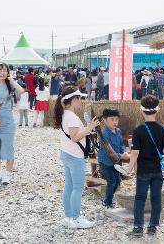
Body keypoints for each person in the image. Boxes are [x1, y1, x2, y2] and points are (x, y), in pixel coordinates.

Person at [53, 86, 100, 229]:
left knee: (69, 186)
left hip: (66, 153)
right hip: (74, 156)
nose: (81, 101)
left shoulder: (65, 115)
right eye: (80, 98)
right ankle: (76, 217)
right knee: (78, 187)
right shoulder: (72, 117)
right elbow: (75, 137)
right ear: (74, 99)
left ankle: (69, 217)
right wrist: (89, 127)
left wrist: (86, 128)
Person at [124, 95, 164, 237]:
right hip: (158, 170)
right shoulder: (163, 130)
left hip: (143, 169)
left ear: (141, 110)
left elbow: (135, 152)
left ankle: (138, 227)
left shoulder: (139, 130)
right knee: (156, 198)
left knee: (140, 198)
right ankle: (152, 227)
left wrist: (129, 168)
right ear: (158, 110)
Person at [0, 64, 25, 188]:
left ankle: (7, 175)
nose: (2, 72)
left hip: (8, 120)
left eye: (5, 70)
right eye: (0, 70)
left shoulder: (9, 85)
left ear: (8, 73)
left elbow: (21, 91)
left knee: (9, 147)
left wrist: (11, 80)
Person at [97, 108, 129, 209]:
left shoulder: (118, 131)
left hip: (116, 162)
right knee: (111, 181)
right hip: (105, 162)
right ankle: (108, 202)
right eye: (112, 119)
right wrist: (121, 156)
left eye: (117, 119)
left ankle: (107, 199)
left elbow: (121, 144)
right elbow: (109, 152)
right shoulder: (104, 133)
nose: (115, 122)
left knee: (118, 181)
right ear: (105, 120)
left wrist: (124, 151)